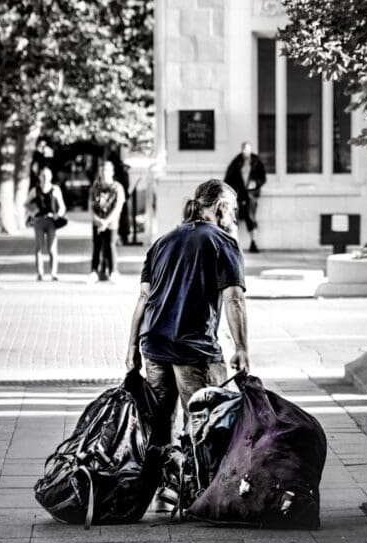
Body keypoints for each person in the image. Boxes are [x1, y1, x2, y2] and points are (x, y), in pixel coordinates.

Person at [125, 178, 249, 450]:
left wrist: (133, 346)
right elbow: (234, 298)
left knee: (158, 430)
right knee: (204, 428)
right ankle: (194, 489)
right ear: (220, 207)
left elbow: (144, 298)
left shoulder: (162, 242)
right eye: (233, 210)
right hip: (193, 348)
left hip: (154, 345)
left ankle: (160, 486)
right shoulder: (222, 241)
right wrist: (241, 348)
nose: (234, 217)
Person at [25, 167, 66, 281]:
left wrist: (59, 214)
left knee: (52, 248)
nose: (45, 177)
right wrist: (33, 212)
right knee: (39, 248)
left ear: (51, 176)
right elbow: (26, 204)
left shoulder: (55, 189)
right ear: (40, 177)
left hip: (51, 221)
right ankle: (40, 273)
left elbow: (62, 206)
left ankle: (53, 273)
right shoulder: (35, 190)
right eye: (43, 175)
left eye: (47, 175)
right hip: (39, 221)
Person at [224, 141, 266, 253]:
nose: (245, 152)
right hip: (239, 195)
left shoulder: (257, 161)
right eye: (243, 150)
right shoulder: (237, 161)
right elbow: (228, 178)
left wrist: (256, 184)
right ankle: (233, 243)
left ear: (250, 150)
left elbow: (262, 178)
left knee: (251, 218)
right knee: (234, 218)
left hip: (251, 195)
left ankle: (253, 243)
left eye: (247, 150)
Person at [88, 161, 126, 284]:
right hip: (97, 222)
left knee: (110, 246)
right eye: (102, 170)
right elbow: (90, 205)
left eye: (107, 170)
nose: (104, 173)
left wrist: (106, 221)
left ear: (112, 172)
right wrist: (97, 219)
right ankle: (94, 272)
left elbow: (118, 207)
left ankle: (113, 272)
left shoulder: (117, 188)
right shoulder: (95, 187)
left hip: (111, 223)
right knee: (97, 246)